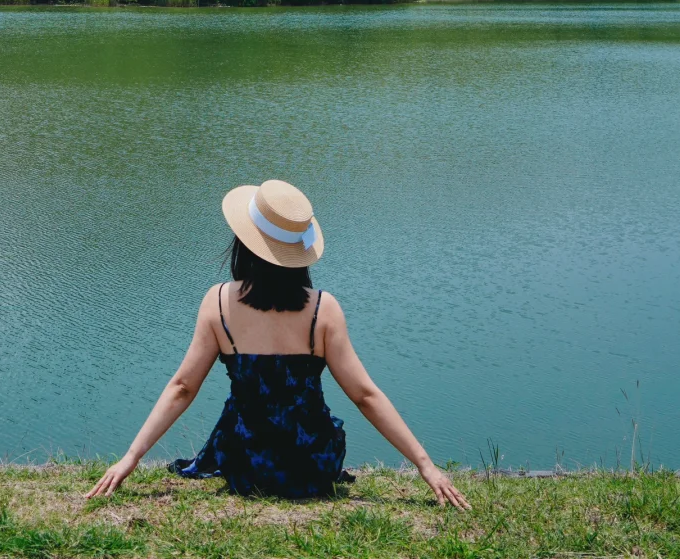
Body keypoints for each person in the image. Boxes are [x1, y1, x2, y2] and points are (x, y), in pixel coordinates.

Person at [87, 179, 469, 508]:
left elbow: (183, 387)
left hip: (246, 466)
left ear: (243, 242)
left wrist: (130, 459)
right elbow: (365, 396)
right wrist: (425, 465)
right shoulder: (323, 310)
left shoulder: (217, 304)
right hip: (313, 467)